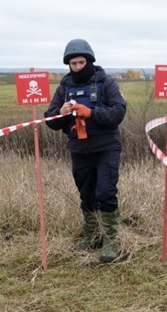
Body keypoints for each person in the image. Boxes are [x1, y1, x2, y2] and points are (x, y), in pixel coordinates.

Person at [44, 38, 127, 263]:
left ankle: (111, 240)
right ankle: (91, 236)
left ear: (89, 60)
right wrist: (60, 112)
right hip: (79, 150)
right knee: (86, 194)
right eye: (74, 63)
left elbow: (118, 113)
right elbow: (50, 121)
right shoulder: (64, 87)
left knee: (105, 192)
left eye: (81, 62)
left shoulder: (106, 83)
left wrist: (90, 113)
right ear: (68, 64)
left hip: (106, 148)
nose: (78, 66)